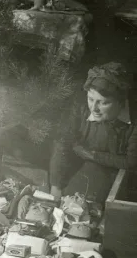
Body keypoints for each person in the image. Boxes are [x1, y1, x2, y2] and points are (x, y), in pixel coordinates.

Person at [49, 62, 137, 203]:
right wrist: (56, 185)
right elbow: (63, 143)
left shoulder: (133, 122)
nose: (94, 109)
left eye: (103, 103)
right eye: (91, 99)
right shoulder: (81, 108)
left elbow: (132, 162)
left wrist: (92, 155)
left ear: (121, 103)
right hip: (80, 166)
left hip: (114, 176)